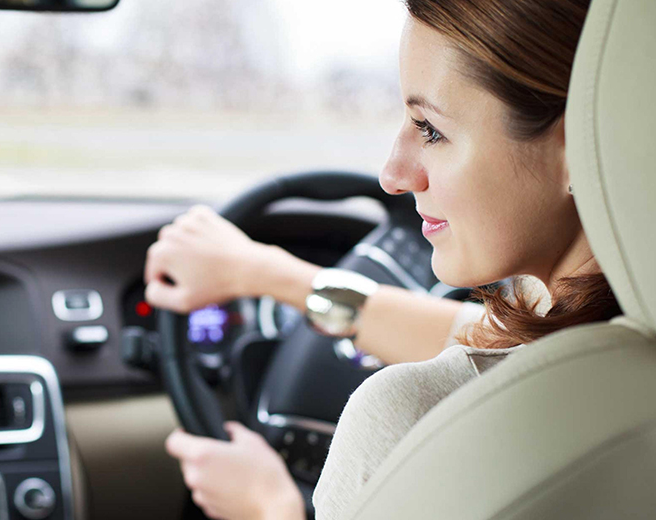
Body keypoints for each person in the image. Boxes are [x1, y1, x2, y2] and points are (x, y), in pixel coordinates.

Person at [142, 0, 622, 519]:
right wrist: (266, 274)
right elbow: (484, 338)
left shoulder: (409, 418)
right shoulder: (617, 331)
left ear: (576, 147)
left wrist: (267, 507)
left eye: (431, 129)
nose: (393, 174)